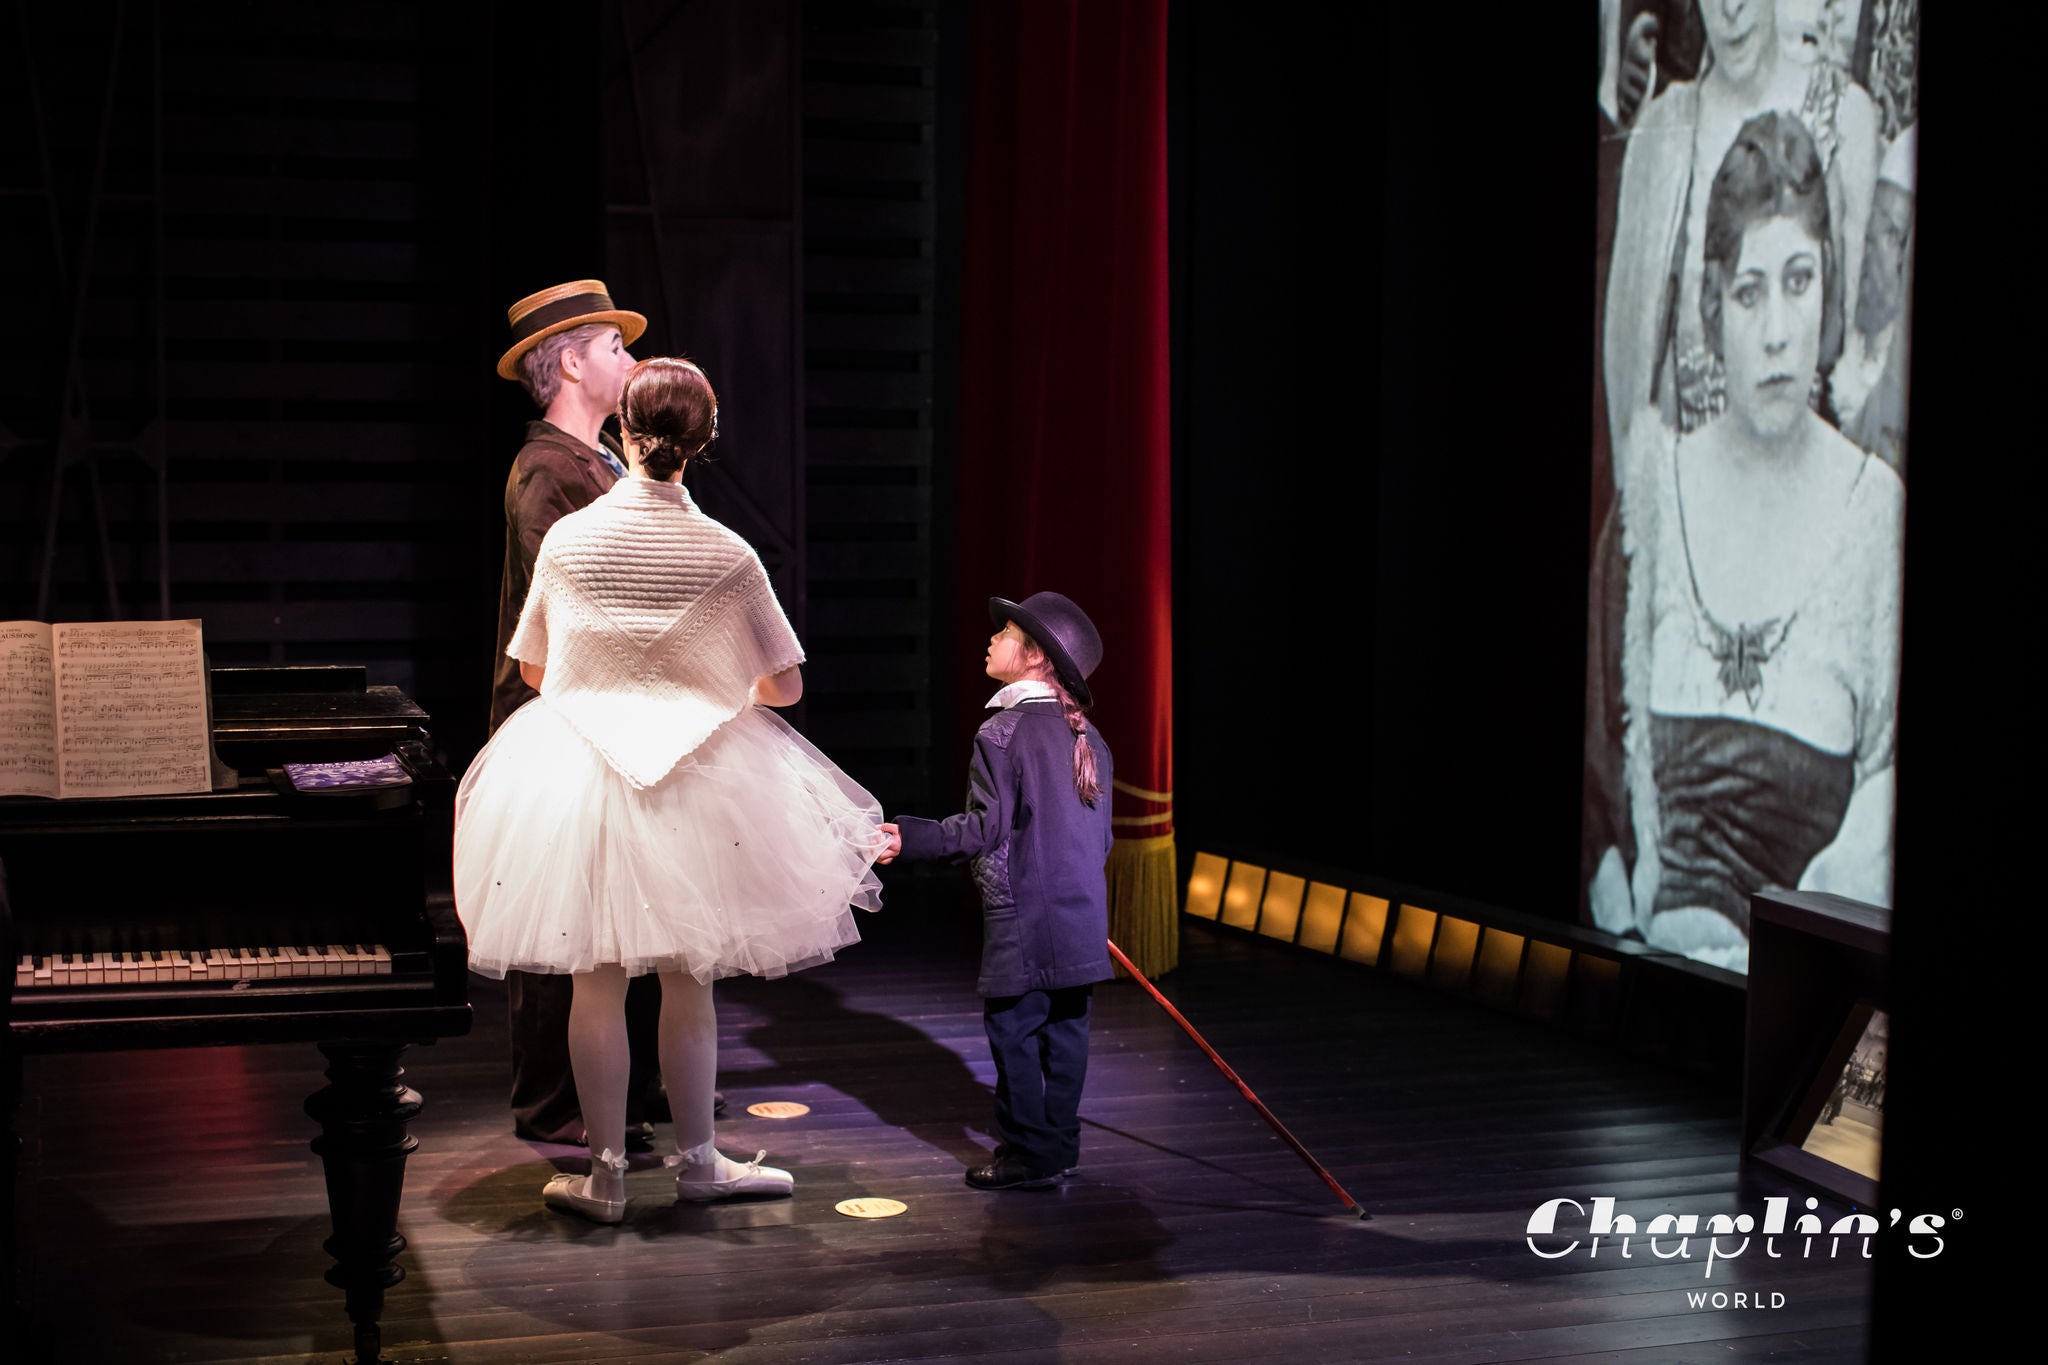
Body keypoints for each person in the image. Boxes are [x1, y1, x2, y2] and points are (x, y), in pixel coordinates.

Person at [455, 356, 884, 1222]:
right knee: (692, 980)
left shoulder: (575, 539)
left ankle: (606, 1175)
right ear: (706, 441)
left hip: (583, 771)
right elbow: (786, 684)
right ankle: (698, 1162)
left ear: (623, 431)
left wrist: (615, 678)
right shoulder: (727, 551)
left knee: (596, 980)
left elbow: (535, 666)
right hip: (698, 775)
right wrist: (708, 685)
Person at [1588, 112, 1903, 972]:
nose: (1775, 332)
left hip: (1802, 1027)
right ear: (1711, 306)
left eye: (1799, 282)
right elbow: (1590, 806)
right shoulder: (1650, 502)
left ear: (1829, 290)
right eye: (1749, 291)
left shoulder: (1878, 517)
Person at [489, 279, 675, 1150]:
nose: (629, 361)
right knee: (564, 915)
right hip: (560, 710)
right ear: (569, 362)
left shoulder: (598, 463)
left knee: (622, 912)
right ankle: (558, 1102)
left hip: (614, 711)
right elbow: (567, 604)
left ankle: (629, 1088)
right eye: (613, 348)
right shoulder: (546, 470)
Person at [876, 593, 1114, 1191]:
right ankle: (1057, 1149)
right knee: (1065, 1034)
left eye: (1004, 632)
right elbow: (1101, 839)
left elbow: (984, 829)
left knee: (1015, 1033)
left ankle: (1028, 1156)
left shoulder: (1003, 731)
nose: (990, 640)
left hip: (1027, 917)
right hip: (1080, 916)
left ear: (1033, 657)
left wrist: (910, 837)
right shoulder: (1091, 737)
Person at [1603, 0, 1879, 449]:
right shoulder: (1660, 136)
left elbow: (1866, 373)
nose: (1731, 9)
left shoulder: (1847, 119)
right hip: (1693, 500)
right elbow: (1627, 372)